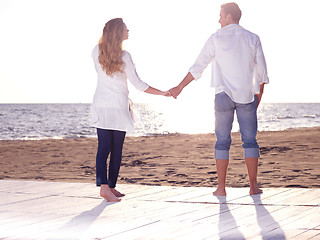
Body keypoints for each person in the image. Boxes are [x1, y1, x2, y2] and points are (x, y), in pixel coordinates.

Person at [169, 2, 269, 196]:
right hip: (247, 96)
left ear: (229, 17)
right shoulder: (253, 38)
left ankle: (221, 188)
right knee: (250, 141)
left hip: (222, 96)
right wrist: (258, 97)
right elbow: (263, 73)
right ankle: (253, 187)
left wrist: (180, 87)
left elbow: (198, 67)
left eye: (221, 15)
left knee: (222, 142)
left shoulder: (215, 38)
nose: (219, 19)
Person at [91, 18, 170, 202]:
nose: (129, 30)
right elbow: (138, 84)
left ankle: (109, 187)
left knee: (104, 148)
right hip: (118, 106)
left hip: (101, 105)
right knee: (116, 149)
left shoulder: (96, 51)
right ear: (119, 32)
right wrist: (162, 93)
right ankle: (106, 188)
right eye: (126, 28)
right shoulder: (124, 56)